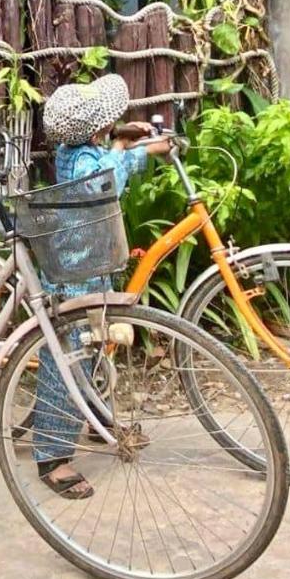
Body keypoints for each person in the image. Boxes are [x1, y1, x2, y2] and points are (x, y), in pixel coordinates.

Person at [31, 74, 173, 499]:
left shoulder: (72, 149)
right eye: (109, 123)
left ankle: (93, 418)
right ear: (96, 130)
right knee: (68, 357)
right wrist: (139, 148)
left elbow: (110, 154)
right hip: (74, 276)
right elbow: (112, 173)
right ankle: (52, 456)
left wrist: (123, 137)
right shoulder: (90, 164)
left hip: (89, 269)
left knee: (93, 347)